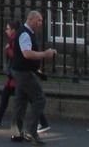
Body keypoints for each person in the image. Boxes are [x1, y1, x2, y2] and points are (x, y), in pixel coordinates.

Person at [0, 21, 50, 134]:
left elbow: (18, 55)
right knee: (17, 97)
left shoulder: (17, 38)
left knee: (29, 99)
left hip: (18, 75)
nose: (6, 31)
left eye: (8, 29)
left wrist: (8, 50)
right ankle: (0, 120)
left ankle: (39, 125)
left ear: (13, 30)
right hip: (16, 75)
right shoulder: (17, 37)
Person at [11, 10, 57, 144]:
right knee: (39, 99)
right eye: (39, 20)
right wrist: (45, 54)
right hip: (24, 73)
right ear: (30, 19)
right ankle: (30, 131)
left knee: (20, 101)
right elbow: (27, 54)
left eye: (41, 20)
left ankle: (16, 133)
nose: (41, 23)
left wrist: (37, 69)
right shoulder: (25, 33)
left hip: (20, 70)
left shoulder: (27, 32)